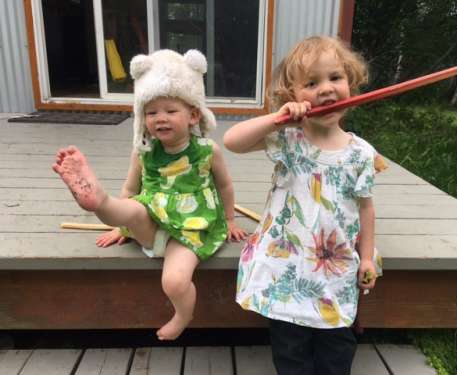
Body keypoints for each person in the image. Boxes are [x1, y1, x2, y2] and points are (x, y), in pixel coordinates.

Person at [53, 49, 246, 341]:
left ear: (193, 115)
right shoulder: (143, 153)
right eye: (152, 112)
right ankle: (98, 201)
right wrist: (122, 228)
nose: (160, 119)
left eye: (170, 111)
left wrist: (230, 219)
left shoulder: (207, 151)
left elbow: (225, 186)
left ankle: (183, 315)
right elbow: (131, 190)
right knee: (130, 207)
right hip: (152, 216)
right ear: (142, 118)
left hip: (192, 226)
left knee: (174, 281)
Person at [224, 36, 385, 375]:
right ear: (293, 96)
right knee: (291, 352)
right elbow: (232, 141)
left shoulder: (361, 153)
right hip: (288, 272)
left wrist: (367, 256)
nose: (325, 89)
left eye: (335, 78)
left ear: (351, 84)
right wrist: (276, 119)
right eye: (311, 83)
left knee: (338, 350)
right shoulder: (288, 137)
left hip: (335, 272)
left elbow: (366, 209)